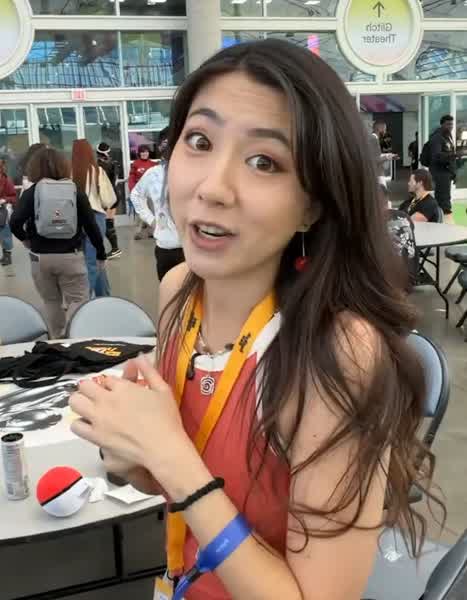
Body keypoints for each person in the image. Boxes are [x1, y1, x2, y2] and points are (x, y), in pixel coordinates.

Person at [70, 40, 443, 600]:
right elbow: (185, 484)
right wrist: (132, 450)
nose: (212, 187)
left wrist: (169, 454)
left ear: (314, 204)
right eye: (200, 141)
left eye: (264, 161)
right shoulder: (178, 295)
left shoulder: (337, 351)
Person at [10, 148, 106, 339]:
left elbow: (14, 222)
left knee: (51, 301)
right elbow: (91, 226)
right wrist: (101, 253)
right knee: (77, 300)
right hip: (71, 255)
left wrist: (26, 240)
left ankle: (57, 340)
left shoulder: (31, 192)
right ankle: (75, 338)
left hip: (40, 258)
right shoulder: (75, 191)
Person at [130, 127, 184, 280]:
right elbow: (136, 195)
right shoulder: (153, 174)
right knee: (168, 290)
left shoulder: (195, 172)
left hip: (193, 248)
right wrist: (151, 220)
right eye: (167, 144)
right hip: (166, 247)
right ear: (160, 147)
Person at [71, 139, 115, 297]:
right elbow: (109, 200)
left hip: (75, 219)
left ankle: (103, 295)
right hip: (95, 217)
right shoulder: (97, 171)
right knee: (94, 261)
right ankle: (86, 298)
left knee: (87, 261)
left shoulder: (69, 173)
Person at [96, 142, 122, 260]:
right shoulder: (114, 163)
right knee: (109, 222)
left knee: (104, 223)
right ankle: (115, 249)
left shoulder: (99, 165)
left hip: (106, 196)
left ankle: (114, 249)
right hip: (115, 194)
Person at [429, 115, 456, 219]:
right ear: (442, 124)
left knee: (444, 196)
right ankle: (443, 218)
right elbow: (436, 156)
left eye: (452, 124)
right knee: (443, 198)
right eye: (448, 124)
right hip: (439, 171)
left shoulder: (447, 136)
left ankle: (441, 216)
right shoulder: (437, 137)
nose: (450, 126)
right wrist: (454, 155)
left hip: (446, 170)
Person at [129, 144, 157, 240]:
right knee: (141, 213)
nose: (145, 154)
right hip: (140, 193)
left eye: (146, 152)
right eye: (142, 152)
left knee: (152, 212)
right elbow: (131, 178)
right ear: (139, 153)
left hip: (151, 193)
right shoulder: (135, 164)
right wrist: (132, 190)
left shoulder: (153, 164)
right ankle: (138, 233)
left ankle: (152, 232)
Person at [369, 122, 398, 187]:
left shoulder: (374, 139)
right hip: (376, 174)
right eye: (384, 129)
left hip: (377, 173)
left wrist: (388, 156)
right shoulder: (373, 139)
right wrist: (387, 157)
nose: (385, 132)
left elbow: (376, 155)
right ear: (379, 129)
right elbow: (374, 159)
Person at [0, 159, 17, 267]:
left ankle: (7, 256)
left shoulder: (6, 181)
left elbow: (13, 197)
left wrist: (4, 200)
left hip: (2, 211)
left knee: (4, 233)